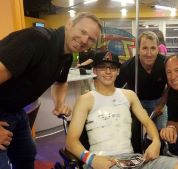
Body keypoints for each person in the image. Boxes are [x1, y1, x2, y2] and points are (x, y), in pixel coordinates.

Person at [0, 12, 102, 169]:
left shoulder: (66, 56)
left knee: (26, 154)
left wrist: (59, 103)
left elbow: (60, 83)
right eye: (82, 32)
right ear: (69, 24)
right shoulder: (36, 40)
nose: (84, 40)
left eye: (91, 39)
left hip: (16, 110)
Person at [66, 51, 178, 169]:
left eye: (112, 68)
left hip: (132, 159)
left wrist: (156, 142)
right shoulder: (85, 100)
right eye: (102, 67)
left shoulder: (129, 95)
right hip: (102, 161)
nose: (108, 71)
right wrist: (92, 159)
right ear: (94, 71)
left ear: (118, 71)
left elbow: (148, 122)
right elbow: (71, 142)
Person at [115, 31, 168, 130]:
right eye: (145, 48)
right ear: (138, 50)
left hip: (159, 102)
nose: (149, 53)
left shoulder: (165, 63)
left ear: (158, 49)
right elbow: (115, 89)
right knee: (131, 131)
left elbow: (171, 86)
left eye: (153, 48)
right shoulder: (128, 66)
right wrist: (129, 104)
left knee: (162, 131)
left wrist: (161, 105)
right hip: (136, 102)